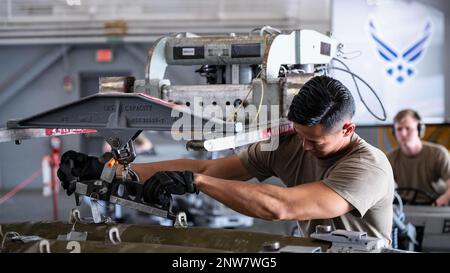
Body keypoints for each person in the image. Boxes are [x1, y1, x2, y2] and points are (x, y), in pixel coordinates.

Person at [57, 75, 395, 244]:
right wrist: (109, 171)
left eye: (315, 142)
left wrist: (199, 184)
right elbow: (205, 167)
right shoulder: (288, 143)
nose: (304, 147)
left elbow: (283, 207)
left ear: (348, 127)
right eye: (300, 135)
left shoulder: (369, 167)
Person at [388, 109, 450, 206]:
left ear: (420, 129)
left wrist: (444, 199)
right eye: (399, 129)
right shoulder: (391, 158)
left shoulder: (438, 154)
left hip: (435, 204)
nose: (403, 134)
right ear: (394, 133)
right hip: (405, 206)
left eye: (408, 128)